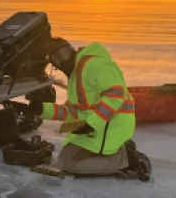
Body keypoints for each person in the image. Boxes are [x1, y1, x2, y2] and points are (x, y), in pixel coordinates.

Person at [25, 40, 150, 180]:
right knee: (65, 159)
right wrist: (41, 109)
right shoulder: (76, 76)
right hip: (96, 126)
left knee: (69, 165)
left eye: (61, 55)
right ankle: (116, 152)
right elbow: (71, 111)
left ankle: (125, 158)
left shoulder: (93, 64)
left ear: (70, 50)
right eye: (55, 60)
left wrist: (91, 124)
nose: (60, 62)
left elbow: (115, 94)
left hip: (111, 125)